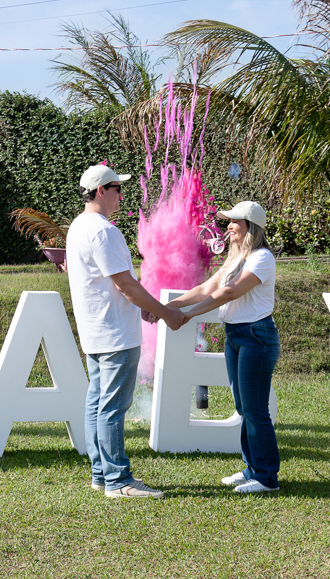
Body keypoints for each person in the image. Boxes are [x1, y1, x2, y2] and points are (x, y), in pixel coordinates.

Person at [67, 164, 185, 499]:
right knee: (112, 408)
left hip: (96, 331)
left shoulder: (78, 226)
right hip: (115, 333)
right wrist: (165, 313)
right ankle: (118, 481)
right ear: (102, 190)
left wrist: (144, 304)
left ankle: (102, 475)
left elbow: (121, 285)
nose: (122, 194)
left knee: (98, 404)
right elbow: (125, 285)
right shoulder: (104, 231)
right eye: (117, 187)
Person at [166, 201, 282, 494]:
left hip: (257, 336)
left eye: (234, 222)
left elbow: (229, 292)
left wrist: (188, 315)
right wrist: (170, 306)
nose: (228, 226)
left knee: (255, 410)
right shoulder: (235, 259)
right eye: (228, 222)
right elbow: (207, 288)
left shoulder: (262, 258)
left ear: (250, 228)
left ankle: (267, 478)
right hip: (237, 336)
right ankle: (252, 469)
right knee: (245, 408)